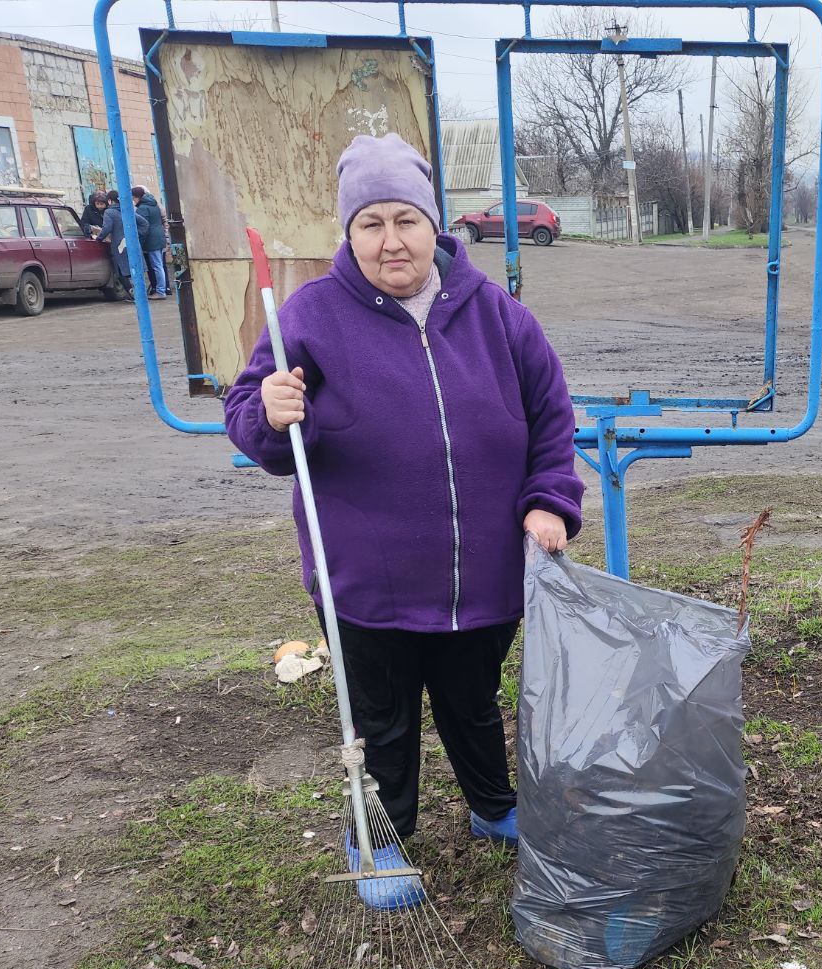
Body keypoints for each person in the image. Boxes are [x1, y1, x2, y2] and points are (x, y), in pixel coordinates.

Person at [224, 133, 582, 902]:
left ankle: (493, 808)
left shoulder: (497, 314)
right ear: (349, 234)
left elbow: (551, 416)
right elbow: (254, 421)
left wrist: (551, 499)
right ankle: (379, 844)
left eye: (406, 220)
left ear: (434, 224)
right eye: (371, 223)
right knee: (382, 724)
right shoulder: (311, 315)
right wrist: (270, 411)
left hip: (482, 575)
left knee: (473, 702)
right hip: (368, 580)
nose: (391, 240)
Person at [97, 189, 146, 301]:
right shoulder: (128, 211)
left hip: (119, 246)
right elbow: (144, 223)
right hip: (133, 244)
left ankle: (132, 293)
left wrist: (99, 238)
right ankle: (140, 293)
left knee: (120, 271)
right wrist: (136, 235)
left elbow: (107, 228)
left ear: (109, 201)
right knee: (136, 268)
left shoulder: (109, 212)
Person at [132, 186, 168, 299]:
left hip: (152, 239)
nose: (133, 201)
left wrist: (140, 243)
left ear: (137, 197)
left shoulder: (142, 208)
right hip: (159, 237)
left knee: (157, 266)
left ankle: (161, 291)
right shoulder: (153, 204)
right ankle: (162, 289)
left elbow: (143, 227)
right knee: (159, 265)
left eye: (133, 199)